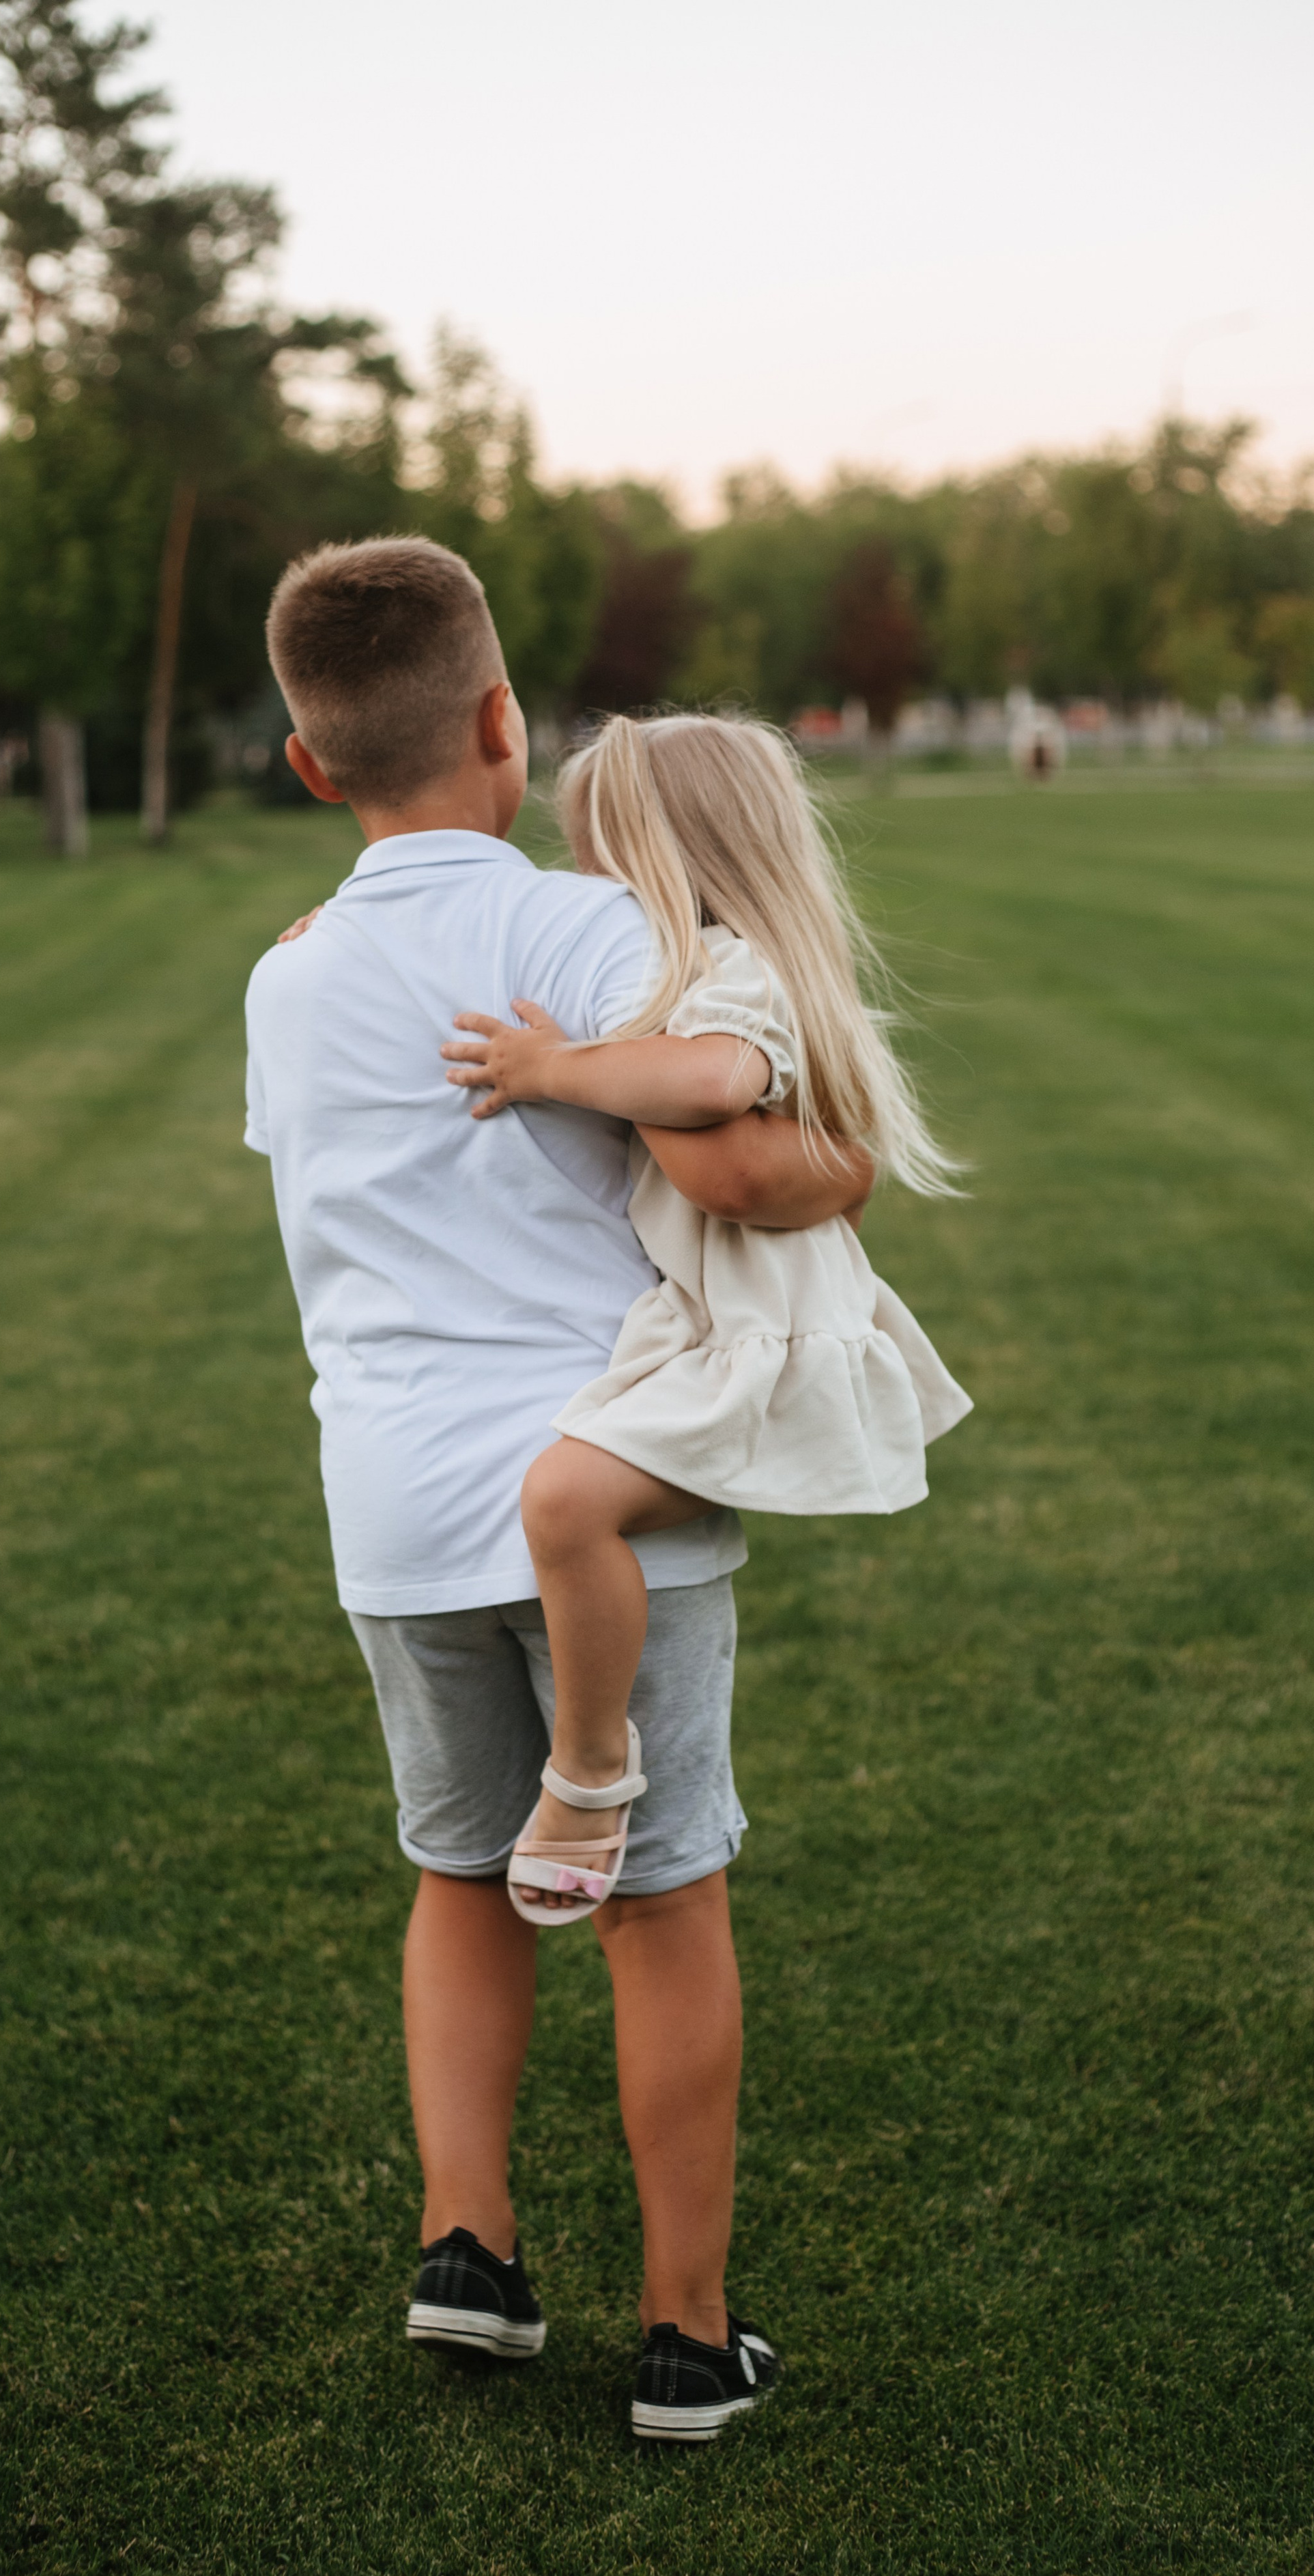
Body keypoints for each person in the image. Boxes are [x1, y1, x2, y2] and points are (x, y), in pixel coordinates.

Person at [244, 537, 867, 2442]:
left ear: (309, 763)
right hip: (607, 1480)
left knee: (459, 1875)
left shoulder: (287, 979)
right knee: (658, 1900)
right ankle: (686, 2335)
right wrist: (848, 1161)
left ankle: (469, 2250)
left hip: (391, 1511)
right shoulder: (589, 935)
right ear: (506, 723)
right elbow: (745, 1149)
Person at [439, 716, 970, 1928]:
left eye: (603, 862)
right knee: (567, 1498)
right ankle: (590, 1763)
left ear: (671, 859)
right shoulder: (704, 968)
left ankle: (589, 1774)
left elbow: (715, 1085)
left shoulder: (737, 971)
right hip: (718, 1323)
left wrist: (550, 1069)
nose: (587, 891)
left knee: (565, 1502)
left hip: (762, 1343)